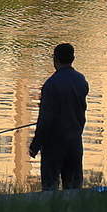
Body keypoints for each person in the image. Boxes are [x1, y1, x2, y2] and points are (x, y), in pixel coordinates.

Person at [28, 42, 89, 191]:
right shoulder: (81, 81)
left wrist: (35, 145)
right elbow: (81, 112)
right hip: (75, 143)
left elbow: (45, 120)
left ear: (55, 60)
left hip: (53, 146)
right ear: (73, 58)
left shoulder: (51, 84)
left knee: (50, 189)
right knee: (74, 189)